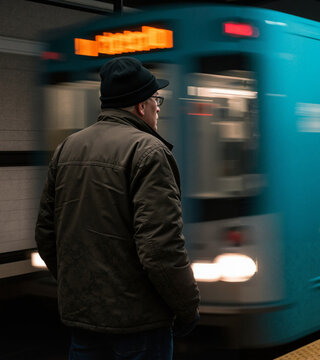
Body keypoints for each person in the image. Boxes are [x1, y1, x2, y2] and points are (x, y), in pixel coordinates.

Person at [35, 57, 200, 359]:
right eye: (155, 99)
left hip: (83, 318)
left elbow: (46, 234)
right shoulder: (149, 152)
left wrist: (79, 288)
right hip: (139, 324)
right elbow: (160, 249)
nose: (158, 106)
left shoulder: (66, 148)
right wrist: (187, 308)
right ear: (140, 106)